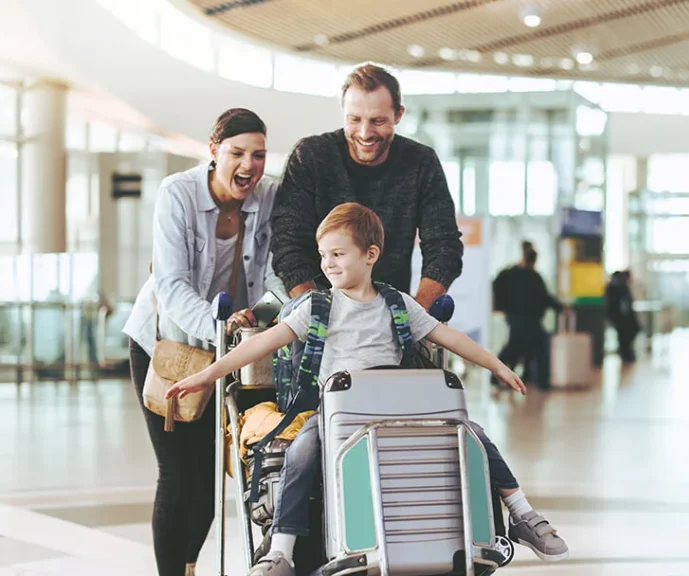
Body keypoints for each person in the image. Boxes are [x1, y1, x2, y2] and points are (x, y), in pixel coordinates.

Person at [168, 204, 570, 576]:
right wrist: (209, 374)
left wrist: (496, 364)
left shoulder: (397, 305)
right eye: (324, 254)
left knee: (475, 435)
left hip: (395, 411)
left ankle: (522, 513)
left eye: (339, 254)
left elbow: (448, 337)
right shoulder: (317, 307)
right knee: (302, 451)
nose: (328, 263)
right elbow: (263, 342)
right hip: (336, 412)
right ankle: (282, 551)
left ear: (370, 255)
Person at [122, 109, 286, 576]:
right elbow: (170, 286)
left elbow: (275, 276)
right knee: (178, 476)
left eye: (258, 155)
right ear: (213, 152)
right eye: (237, 153)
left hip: (229, 350)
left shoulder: (270, 196)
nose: (249, 165)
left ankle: (190, 566)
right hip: (166, 347)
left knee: (209, 484)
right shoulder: (177, 194)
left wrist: (261, 318)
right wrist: (222, 328)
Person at [271, 62, 462, 309]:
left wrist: (415, 316)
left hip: (391, 316)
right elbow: (288, 243)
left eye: (378, 121)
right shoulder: (310, 156)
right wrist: (315, 313)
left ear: (399, 115)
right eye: (354, 119)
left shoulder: (421, 163)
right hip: (315, 316)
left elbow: (444, 245)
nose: (365, 132)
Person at [492, 241, 564, 388]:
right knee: (524, 347)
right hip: (525, 319)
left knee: (517, 347)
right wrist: (560, 307)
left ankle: (512, 377)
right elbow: (545, 298)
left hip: (518, 318)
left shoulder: (511, 274)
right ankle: (541, 382)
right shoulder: (528, 276)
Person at [604, 270, 640, 363]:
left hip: (619, 319)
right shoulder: (621, 288)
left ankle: (626, 356)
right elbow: (624, 305)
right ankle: (627, 357)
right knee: (625, 339)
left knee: (623, 339)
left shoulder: (611, 287)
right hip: (623, 319)